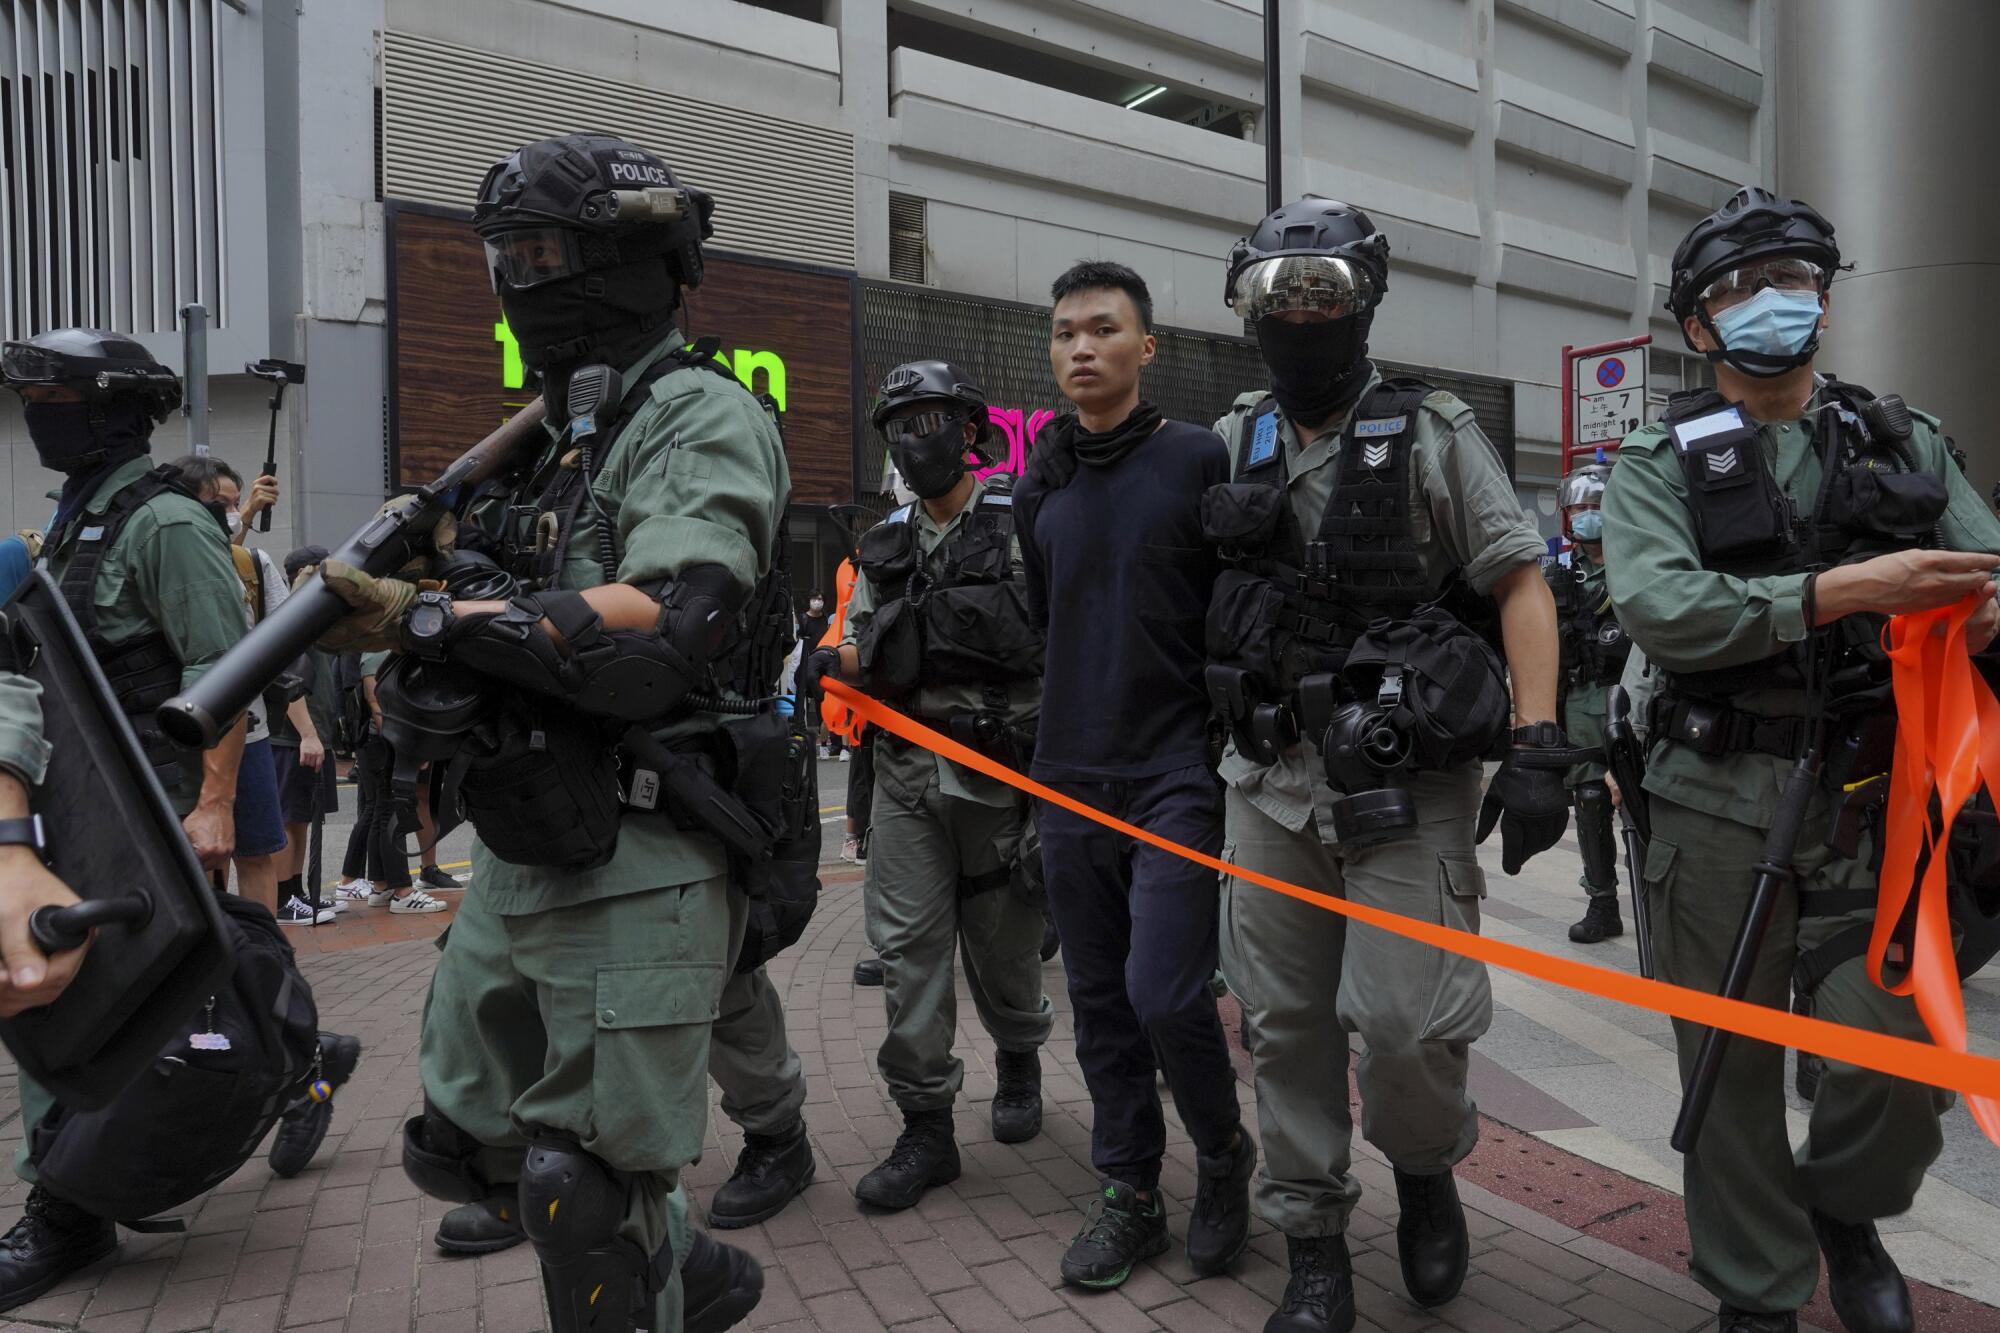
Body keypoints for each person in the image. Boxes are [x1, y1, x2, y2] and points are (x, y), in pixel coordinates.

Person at [316, 133, 774, 1332]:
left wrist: (435, 615)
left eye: (546, 252)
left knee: (582, 1193)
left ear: (633, 257)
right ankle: (684, 1261)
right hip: (520, 849)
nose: (524, 276)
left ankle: (650, 1261)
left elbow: (667, 620)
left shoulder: (692, 415)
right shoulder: (554, 443)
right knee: (457, 1148)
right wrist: (434, 599)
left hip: (639, 850)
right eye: (506, 253)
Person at [1602, 186, 2000, 1333]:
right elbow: (1661, 608)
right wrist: (1834, 593)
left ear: (1820, 300)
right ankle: (1755, 1286)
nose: (1768, 303)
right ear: (1695, 326)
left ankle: (1843, 1209)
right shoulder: (1654, 458)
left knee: (1897, 1051)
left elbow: (1982, 567)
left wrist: (1977, 615)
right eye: (1735, 288)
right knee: (1725, 1073)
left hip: (1874, 806)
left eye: (1789, 279)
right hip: (1710, 802)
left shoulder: (1897, 433)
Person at [1205, 201, 1561, 1333]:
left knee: (1406, 1022)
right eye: (1271, 297)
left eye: (1318, 294)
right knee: (1281, 1019)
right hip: (1265, 778)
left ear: (1362, 301)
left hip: (1405, 782)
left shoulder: (1430, 431)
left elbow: (1519, 581)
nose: (1296, 316)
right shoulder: (1234, 437)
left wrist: (1541, 742)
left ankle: (1421, 1168)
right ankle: (1311, 1239)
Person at [1012, 260, 1251, 1292]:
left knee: (1164, 993)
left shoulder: (1197, 459)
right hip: (1066, 776)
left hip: (1172, 774)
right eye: (1064, 331)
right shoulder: (1042, 479)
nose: (1080, 347)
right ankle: (1130, 1196)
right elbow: (1042, 617)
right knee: (1099, 1001)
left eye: (1102, 329)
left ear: (1145, 348)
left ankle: (1222, 1154)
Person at [0, 329, 249, 1307]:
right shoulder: (67, 525)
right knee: (105, 991)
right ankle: (305, 1063)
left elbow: (224, 668)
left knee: (79, 992)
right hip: (84, 797)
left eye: (54, 400)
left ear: (108, 411)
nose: (36, 417)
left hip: (147, 805)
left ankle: (64, 1211)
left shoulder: (167, 525)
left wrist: (217, 801)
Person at [799, 360, 1055, 1211]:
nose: (916, 439)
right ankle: (926, 1127)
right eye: (900, 426)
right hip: (908, 774)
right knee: (909, 953)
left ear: (970, 430)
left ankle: (1019, 1056)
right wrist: (818, 662)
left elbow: (1061, 647)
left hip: (1003, 773)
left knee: (1007, 948)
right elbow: (864, 649)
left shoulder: (1025, 521)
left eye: (931, 420)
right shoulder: (883, 545)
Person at [167, 454, 293, 918]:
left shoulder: (250, 563)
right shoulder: (161, 554)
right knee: (192, 856)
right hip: (179, 734)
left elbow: (283, 640)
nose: (228, 514)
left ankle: (265, 957)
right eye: (218, 504)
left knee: (257, 850)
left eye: (234, 504)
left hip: (249, 728)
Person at [1546, 455, 1630, 945]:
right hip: (1580, 701)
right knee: (1591, 800)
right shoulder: (1555, 569)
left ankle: (1659, 899)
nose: (1583, 516)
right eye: (1575, 509)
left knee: (1644, 801)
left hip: (1633, 698)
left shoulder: (1640, 558)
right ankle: (1603, 904)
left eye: (1593, 506)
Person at [270, 545, 342, 917]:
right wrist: (308, 735)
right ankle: (283, 899)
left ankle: (297, 892)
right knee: (288, 817)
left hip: (314, 735)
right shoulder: (291, 617)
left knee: (301, 817)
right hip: (293, 737)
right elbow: (288, 681)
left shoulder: (314, 618)